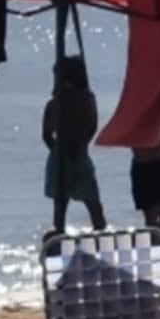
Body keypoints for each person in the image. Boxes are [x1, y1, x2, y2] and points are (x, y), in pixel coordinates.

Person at [42, 56, 107, 230]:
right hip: (74, 153)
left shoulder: (58, 103)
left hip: (67, 154)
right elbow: (91, 127)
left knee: (64, 205)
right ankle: (98, 231)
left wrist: (60, 149)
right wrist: (77, 145)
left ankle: (62, 231)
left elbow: (46, 135)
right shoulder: (81, 100)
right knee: (91, 204)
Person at [131, 113, 160, 238]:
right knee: (150, 214)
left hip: (158, 162)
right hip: (141, 163)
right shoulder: (136, 111)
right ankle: (155, 245)